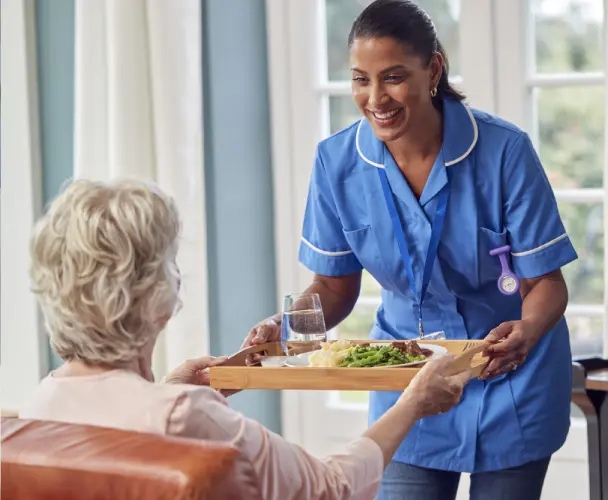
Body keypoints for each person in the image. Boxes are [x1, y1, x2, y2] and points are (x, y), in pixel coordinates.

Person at [244, 0, 578, 498]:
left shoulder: (505, 151)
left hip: (511, 379)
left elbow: (545, 284)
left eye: (394, 77)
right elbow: (334, 286)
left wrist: (527, 331)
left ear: (434, 70)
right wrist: (285, 327)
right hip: (409, 379)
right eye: (361, 79)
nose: (376, 97)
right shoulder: (336, 162)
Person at [18, 178, 471, 500]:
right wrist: (413, 403)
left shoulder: (41, 404)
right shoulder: (186, 417)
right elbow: (332, 489)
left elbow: (119, 432)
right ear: (156, 297)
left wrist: (169, 391)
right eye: (169, 262)